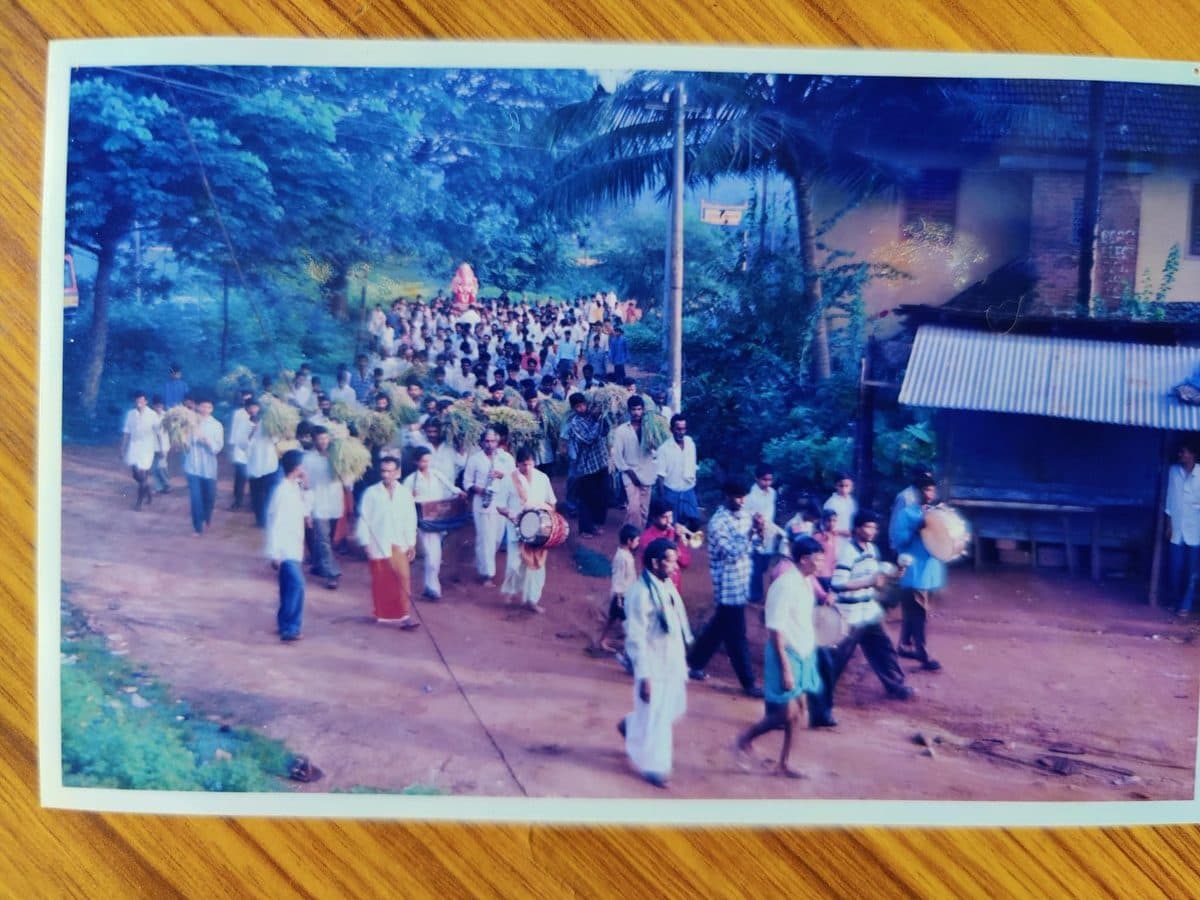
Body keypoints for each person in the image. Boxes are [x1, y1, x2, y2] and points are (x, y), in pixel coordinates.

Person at [734, 535, 825, 779]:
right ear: (804, 560)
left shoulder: (806, 582)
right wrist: (785, 668)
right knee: (785, 712)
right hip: (784, 654)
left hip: (804, 654)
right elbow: (775, 629)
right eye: (818, 558)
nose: (821, 563)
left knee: (800, 711)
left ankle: (784, 763)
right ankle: (743, 739)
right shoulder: (785, 585)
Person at [619, 537, 694, 789]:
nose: (675, 566)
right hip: (653, 665)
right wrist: (644, 675)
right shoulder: (640, 594)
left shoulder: (666, 585)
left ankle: (631, 725)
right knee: (658, 718)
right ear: (654, 562)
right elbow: (635, 638)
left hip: (672, 659)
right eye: (671, 562)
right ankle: (655, 766)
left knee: (674, 708)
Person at [822, 511, 914, 710]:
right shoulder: (848, 553)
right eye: (867, 527)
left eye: (873, 527)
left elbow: (877, 577)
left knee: (884, 648)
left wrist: (895, 575)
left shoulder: (871, 549)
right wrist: (869, 582)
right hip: (850, 613)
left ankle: (895, 684)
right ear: (857, 530)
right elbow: (838, 584)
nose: (872, 531)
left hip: (867, 610)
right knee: (839, 656)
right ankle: (819, 695)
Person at [685, 480, 765, 699]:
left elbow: (757, 546)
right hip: (727, 584)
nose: (740, 501)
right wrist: (750, 535)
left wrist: (760, 531)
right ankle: (748, 682)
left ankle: (694, 663)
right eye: (736, 497)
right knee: (737, 636)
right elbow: (731, 553)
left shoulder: (745, 516)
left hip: (741, 581)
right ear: (726, 496)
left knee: (718, 627)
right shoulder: (717, 523)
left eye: (743, 497)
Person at [356, 456, 421, 630]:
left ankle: (405, 616)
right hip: (378, 541)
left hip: (399, 542)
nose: (386, 475)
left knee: (403, 577)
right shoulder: (371, 493)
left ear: (398, 472)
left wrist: (411, 543)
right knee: (381, 580)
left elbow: (410, 519)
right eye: (383, 471)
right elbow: (363, 519)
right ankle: (384, 615)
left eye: (390, 471)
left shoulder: (405, 493)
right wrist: (365, 543)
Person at [889, 474, 944, 670]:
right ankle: (922, 653)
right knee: (919, 613)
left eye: (932, 490)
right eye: (926, 490)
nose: (930, 494)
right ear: (918, 492)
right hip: (913, 571)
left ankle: (904, 645)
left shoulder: (934, 513)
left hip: (929, 572)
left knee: (912, 612)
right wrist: (917, 528)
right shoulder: (906, 514)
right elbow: (899, 540)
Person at [496, 447, 558, 613]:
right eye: (524, 465)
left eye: (530, 464)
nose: (527, 468)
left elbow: (552, 502)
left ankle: (532, 600)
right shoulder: (509, 480)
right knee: (513, 565)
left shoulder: (542, 478)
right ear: (518, 464)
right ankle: (510, 591)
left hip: (538, 530)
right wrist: (511, 514)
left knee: (536, 566)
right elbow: (499, 506)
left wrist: (546, 516)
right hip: (516, 529)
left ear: (534, 463)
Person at [403, 446, 465, 601]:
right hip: (424, 521)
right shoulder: (411, 480)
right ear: (416, 461)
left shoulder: (436, 474)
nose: (427, 463)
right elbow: (403, 500)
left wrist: (459, 492)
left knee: (435, 556)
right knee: (431, 556)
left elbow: (450, 486)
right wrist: (412, 497)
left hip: (439, 519)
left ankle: (429, 587)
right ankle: (433, 589)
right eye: (424, 460)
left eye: (428, 460)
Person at [266, 449, 309, 642]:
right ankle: (291, 628)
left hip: (294, 546)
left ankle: (285, 623)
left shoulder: (295, 487)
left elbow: (305, 509)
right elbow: (275, 522)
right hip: (286, 549)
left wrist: (306, 487)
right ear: (296, 467)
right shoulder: (283, 492)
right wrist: (275, 552)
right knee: (297, 586)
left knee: (287, 588)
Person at [463, 427, 515, 585]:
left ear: (498, 442)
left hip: (501, 504)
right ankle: (486, 574)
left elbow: (515, 478)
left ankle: (482, 563)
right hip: (482, 503)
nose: (490, 444)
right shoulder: (474, 459)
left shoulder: (506, 458)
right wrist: (479, 490)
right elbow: (467, 482)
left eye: (493, 441)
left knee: (497, 538)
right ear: (481, 442)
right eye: (487, 441)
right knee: (486, 538)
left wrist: (502, 475)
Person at [302, 426, 344, 590]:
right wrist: (307, 507)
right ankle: (332, 574)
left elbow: (348, 480)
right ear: (314, 440)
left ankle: (319, 564)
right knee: (324, 539)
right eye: (320, 439)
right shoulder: (308, 459)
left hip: (334, 502)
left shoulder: (338, 457)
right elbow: (305, 483)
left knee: (327, 539)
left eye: (326, 438)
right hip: (318, 503)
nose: (324, 442)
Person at [565, 392, 609, 538]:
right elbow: (589, 438)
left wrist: (604, 414)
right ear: (573, 408)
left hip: (601, 462)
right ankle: (585, 529)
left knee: (602, 496)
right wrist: (597, 420)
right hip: (587, 467)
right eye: (578, 406)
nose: (582, 408)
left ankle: (595, 525)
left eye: (583, 405)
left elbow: (605, 431)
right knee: (586, 498)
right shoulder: (575, 424)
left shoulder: (594, 415)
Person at [611, 395, 658, 530]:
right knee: (633, 508)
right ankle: (632, 536)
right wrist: (630, 473)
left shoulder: (650, 429)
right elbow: (618, 455)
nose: (636, 412)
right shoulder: (622, 430)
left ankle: (636, 535)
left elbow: (656, 449)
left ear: (643, 410)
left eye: (639, 409)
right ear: (629, 411)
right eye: (633, 409)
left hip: (647, 472)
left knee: (644, 510)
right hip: (629, 473)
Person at [594, 524, 640, 658]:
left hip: (622, 595)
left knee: (613, 619)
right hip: (622, 596)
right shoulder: (622, 558)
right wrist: (620, 597)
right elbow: (619, 578)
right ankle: (629, 650)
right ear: (629, 541)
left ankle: (602, 641)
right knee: (630, 622)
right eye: (636, 540)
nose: (638, 543)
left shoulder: (625, 555)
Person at [1165, 440, 1200, 616]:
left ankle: (1185, 605)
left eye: (1184, 452)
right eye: (1180, 452)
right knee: (1175, 568)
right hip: (1177, 528)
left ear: (1193, 455)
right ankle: (1174, 599)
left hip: (1195, 530)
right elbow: (1170, 500)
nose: (1181, 455)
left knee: (1191, 571)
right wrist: (1168, 524)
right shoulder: (1173, 472)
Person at [182, 396, 224, 536]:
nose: (205, 410)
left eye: (208, 407)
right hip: (192, 465)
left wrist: (207, 441)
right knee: (195, 498)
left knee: (209, 496)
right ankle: (197, 527)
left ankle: (207, 516)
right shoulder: (190, 423)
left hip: (209, 467)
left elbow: (218, 447)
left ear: (212, 409)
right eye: (203, 406)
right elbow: (183, 442)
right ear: (198, 407)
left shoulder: (216, 425)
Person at [655, 414, 700, 531]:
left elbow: (693, 467)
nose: (681, 432)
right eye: (678, 429)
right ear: (671, 430)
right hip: (671, 493)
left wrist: (695, 490)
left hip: (689, 491)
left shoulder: (691, 444)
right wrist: (663, 499)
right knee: (672, 527)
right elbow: (660, 477)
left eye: (684, 428)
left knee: (694, 524)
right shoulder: (663, 449)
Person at [119, 390, 161, 511]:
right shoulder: (131, 414)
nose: (139, 403)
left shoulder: (152, 415)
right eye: (137, 401)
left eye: (142, 401)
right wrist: (122, 447)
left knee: (142, 475)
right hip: (134, 446)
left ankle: (139, 503)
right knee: (136, 474)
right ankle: (147, 490)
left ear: (146, 401)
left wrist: (161, 448)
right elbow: (126, 432)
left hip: (147, 447)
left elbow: (158, 432)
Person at [743, 463, 778, 605]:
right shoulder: (750, 495)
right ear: (757, 479)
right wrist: (755, 519)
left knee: (764, 564)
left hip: (768, 533)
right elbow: (745, 513)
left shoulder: (773, 493)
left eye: (770, 480)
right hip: (754, 533)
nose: (767, 483)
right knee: (756, 565)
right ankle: (755, 595)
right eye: (764, 480)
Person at [640, 499, 692, 593]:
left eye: (671, 516)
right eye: (664, 517)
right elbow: (657, 567)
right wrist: (674, 543)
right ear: (654, 518)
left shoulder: (674, 533)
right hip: (657, 588)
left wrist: (679, 540)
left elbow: (685, 562)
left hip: (675, 587)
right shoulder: (647, 538)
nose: (669, 521)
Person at [245, 400, 279, 529]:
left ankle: (269, 518)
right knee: (256, 495)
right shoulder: (244, 424)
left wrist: (272, 432)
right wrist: (252, 432)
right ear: (247, 410)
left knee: (270, 493)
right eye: (250, 408)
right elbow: (242, 444)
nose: (253, 410)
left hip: (269, 463)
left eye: (255, 407)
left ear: (259, 408)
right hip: (254, 464)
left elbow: (276, 440)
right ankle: (260, 520)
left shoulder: (268, 424)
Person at [228, 393, 254, 511]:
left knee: (252, 475)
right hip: (240, 448)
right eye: (244, 398)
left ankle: (252, 500)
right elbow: (234, 429)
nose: (246, 401)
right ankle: (238, 500)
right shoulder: (238, 413)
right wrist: (232, 445)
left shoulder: (257, 415)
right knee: (240, 475)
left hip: (253, 449)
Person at [149, 395, 171, 494]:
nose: (159, 408)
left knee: (162, 466)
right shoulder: (149, 415)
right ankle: (158, 487)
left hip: (164, 445)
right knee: (154, 468)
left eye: (160, 406)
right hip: (152, 445)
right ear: (153, 406)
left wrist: (163, 448)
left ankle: (166, 484)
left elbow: (169, 431)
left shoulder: (166, 416)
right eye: (157, 406)